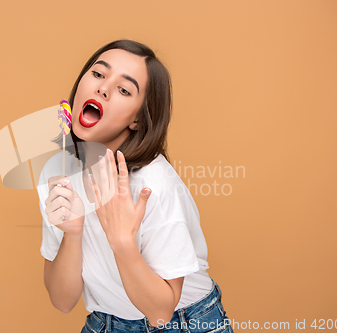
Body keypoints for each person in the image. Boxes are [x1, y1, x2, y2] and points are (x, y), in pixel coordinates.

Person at [37, 40, 234, 333]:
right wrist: (72, 234)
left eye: (124, 90)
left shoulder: (153, 184)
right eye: (98, 75)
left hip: (184, 323)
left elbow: (160, 313)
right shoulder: (56, 172)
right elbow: (62, 300)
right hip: (105, 323)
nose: (103, 89)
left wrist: (122, 241)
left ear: (138, 119)